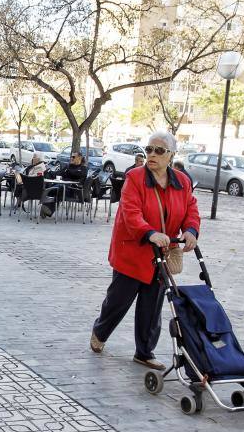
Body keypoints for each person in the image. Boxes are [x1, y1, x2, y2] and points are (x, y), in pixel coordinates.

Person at [90, 131, 200, 370]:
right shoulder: (135, 178)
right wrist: (150, 233)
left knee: (152, 306)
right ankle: (100, 331)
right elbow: (130, 212)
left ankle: (144, 351)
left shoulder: (182, 181)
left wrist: (191, 230)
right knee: (118, 301)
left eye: (159, 151)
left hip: (161, 255)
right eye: (148, 149)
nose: (151, 155)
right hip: (132, 251)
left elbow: (190, 208)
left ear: (171, 155)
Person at [40, 151, 88, 217]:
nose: (71, 158)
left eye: (73, 157)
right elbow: (58, 173)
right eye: (71, 157)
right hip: (63, 187)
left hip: (74, 190)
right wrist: (49, 172)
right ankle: (47, 208)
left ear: (79, 158)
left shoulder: (83, 169)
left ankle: (48, 209)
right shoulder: (69, 166)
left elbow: (77, 175)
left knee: (57, 189)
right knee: (50, 187)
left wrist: (68, 170)